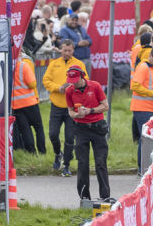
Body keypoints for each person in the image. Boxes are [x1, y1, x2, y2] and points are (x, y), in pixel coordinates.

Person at [65, 66, 111, 202]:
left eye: (76, 80)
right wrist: (76, 115)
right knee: (82, 163)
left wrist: (90, 111)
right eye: (71, 81)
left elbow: (105, 106)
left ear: (82, 76)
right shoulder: (69, 91)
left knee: (100, 162)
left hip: (97, 127)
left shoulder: (95, 86)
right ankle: (84, 197)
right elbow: (70, 111)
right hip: (81, 129)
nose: (74, 83)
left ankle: (105, 196)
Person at [43, 40, 86, 175]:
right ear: (60, 50)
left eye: (69, 50)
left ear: (73, 50)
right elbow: (46, 80)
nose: (67, 53)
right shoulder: (54, 64)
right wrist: (58, 88)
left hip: (72, 107)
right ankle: (58, 153)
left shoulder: (79, 64)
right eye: (64, 50)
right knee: (53, 134)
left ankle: (66, 165)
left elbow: (85, 81)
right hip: (56, 105)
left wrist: (72, 87)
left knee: (69, 138)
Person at [130, 49, 153, 172]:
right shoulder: (144, 68)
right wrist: (152, 93)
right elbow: (134, 86)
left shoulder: (151, 68)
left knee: (146, 137)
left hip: (147, 107)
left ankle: (144, 167)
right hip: (142, 108)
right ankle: (143, 168)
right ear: (151, 56)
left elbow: (148, 87)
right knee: (145, 138)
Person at [10, 55, 45, 155]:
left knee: (25, 130)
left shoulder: (6, 67)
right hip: (30, 103)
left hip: (16, 105)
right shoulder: (23, 65)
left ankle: (31, 153)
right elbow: (32, 84)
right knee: (38, 128)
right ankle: (42, 152)